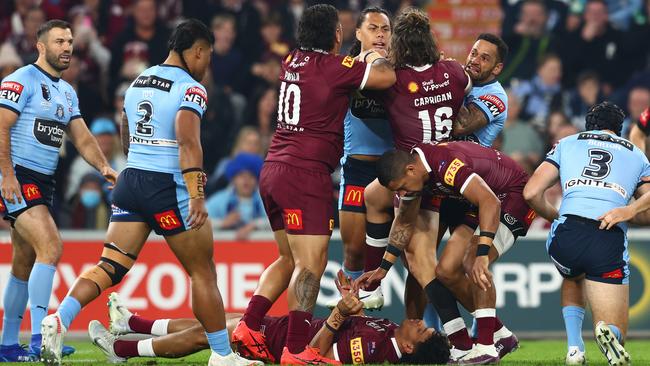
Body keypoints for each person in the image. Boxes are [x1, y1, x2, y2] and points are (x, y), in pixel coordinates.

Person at [38, 19, 260, 366]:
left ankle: (59, 318)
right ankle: (221, 355)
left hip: (132, 179)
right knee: (203, 272)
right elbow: (188, 140)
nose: (207, 65)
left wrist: (135, 162)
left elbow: (126, 125)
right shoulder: (191, 89)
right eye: (208, 57)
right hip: (168, 186)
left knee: (109, 265)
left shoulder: (139, 80)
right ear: (198, 51)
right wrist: (196, 193)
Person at [231, 4, 396, 365]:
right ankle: (296, 351)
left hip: (273, 168)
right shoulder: (337, 69)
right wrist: (370, 54)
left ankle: (248, 325)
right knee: (311, 265)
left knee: (288, 259)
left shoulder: (292, 60)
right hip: (305, 175)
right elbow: (385, 79)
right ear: (337, 35)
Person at [0, 19, 117, 362]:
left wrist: (104, 167)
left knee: (24, 262)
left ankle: (8, 345)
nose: (67, 47)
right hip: (19, 176)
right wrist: (6, 175)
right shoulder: (20, 80)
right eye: (59, 41)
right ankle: (40, 340)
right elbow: (1, 127)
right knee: (51, 246)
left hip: (43, 182)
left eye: (69, 41)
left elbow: (81, 136)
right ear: (41, 46)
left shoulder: (67, 91)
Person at [357, 140, 534, 364]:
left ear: (410, 170)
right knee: (445, 270)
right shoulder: (417, 175)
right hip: (477, 205)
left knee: (471, 261)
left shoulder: (445, 163)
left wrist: (482, 253)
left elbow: (490, 201)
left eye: (401, 187)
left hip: (510, 195)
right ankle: (501, 335)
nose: (401, 193)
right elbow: (403, 224)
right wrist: (382, 269)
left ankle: (487, 346)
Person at [354, 8, 471, 325]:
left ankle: (467, 333)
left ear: (399, 44)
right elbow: (469, 84)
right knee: (374, 196)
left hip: (417, 177)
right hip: (453, 173)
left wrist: (369, 55)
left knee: (422, 263)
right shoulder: (455, 71)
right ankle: (415, 325)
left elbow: (364, 81)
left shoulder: (393, 79)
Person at [524, 102, 650, 366]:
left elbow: (531, 193)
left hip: (566, 234)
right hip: (607, 233)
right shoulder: (637, 154)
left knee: (572, 275)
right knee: (617, 332)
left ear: (587, 125)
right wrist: (627, 211)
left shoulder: (567, 143)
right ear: (619, 129)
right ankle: (609, 334)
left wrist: (556, 217)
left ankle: (574, 349)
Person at [87, 275, 451, 364]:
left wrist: (339, 313)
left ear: (408, 346)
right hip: (286, 327)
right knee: (216, 324)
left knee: (207, 336)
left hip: (280, 345)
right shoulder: (388, 332)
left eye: (422, 330)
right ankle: (132, 325)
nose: (418, 322)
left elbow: (315, 353)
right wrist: (347, 302)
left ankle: (122, 349)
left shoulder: (372, 350)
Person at [332, 6, 393, 311]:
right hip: (357, 168)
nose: (380, 34)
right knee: (354, 251)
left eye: (385, 29)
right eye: (373, 28)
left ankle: (428, 331)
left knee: (412, 256)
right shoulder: (346, 68)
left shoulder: (401, 70)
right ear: (358, 33)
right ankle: (355, 327)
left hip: (395, 170)